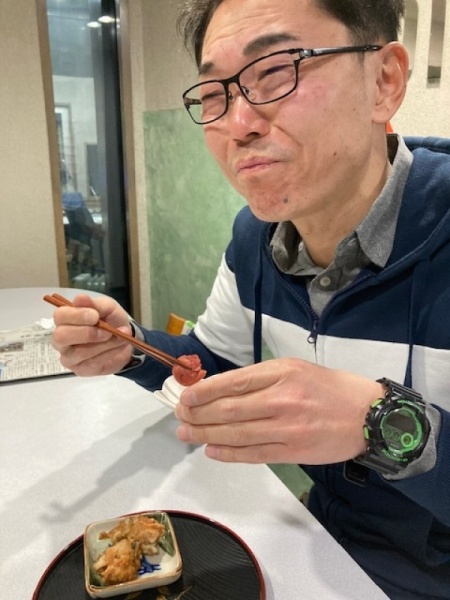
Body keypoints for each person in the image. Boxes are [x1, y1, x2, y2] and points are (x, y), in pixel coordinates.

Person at [51, 1, 450, 598]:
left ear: (384, 81)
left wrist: (383, 423)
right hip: (319, 543)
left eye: (277, 71)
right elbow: (213, 363)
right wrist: (129, 347)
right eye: (215, 94)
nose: (239, 124)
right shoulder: (255, 238)